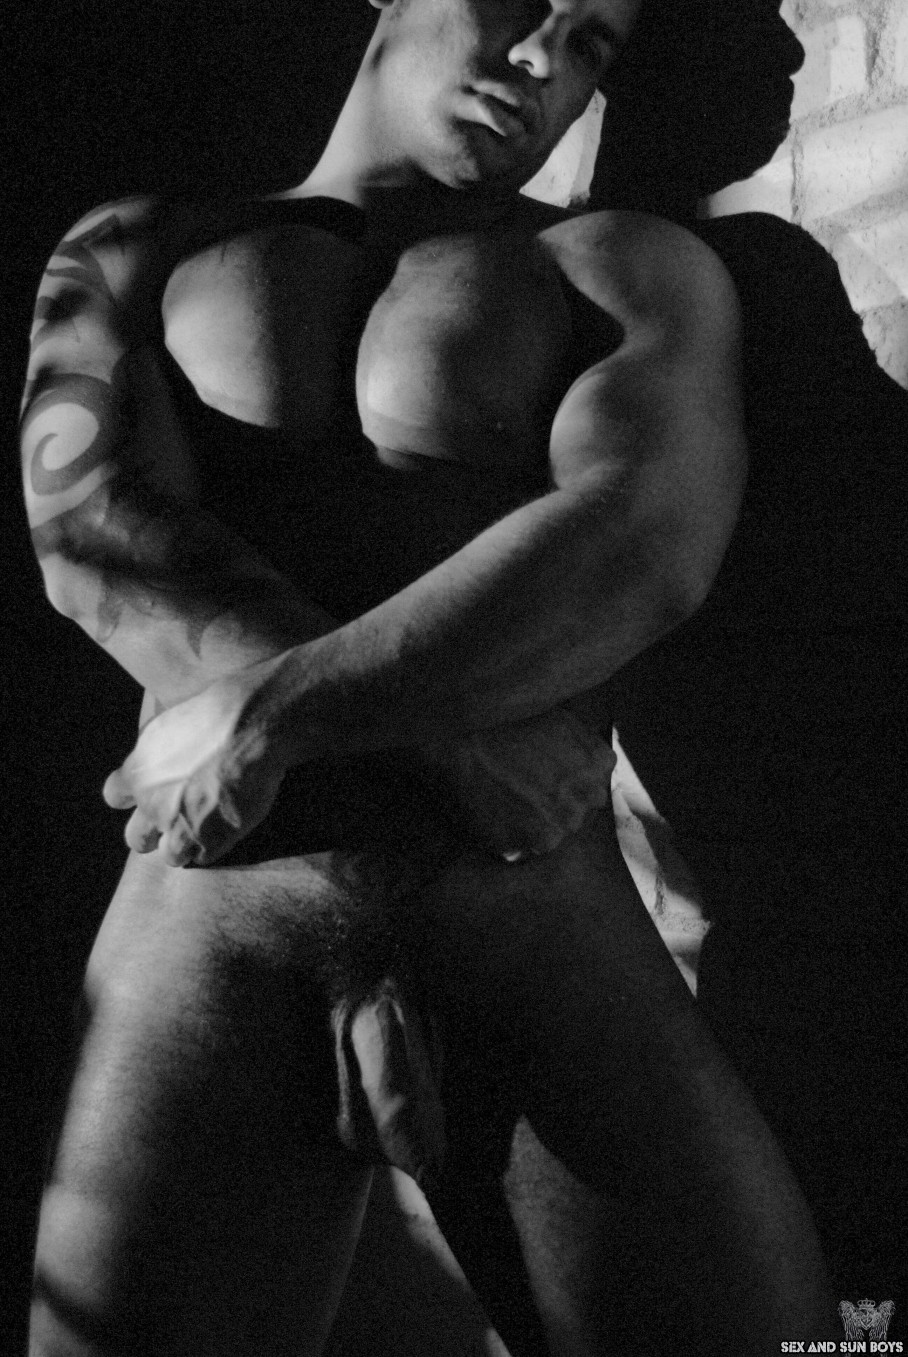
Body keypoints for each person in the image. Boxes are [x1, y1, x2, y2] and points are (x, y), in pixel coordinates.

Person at [21, 1, 838, 1353]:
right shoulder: (133, 249)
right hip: (212, 942)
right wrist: (448, 744)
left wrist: (280, 713)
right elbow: (93, 532)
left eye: (593, 45)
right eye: (528, 3)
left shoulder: (628, 267)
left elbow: (644, 542)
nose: (546, 63)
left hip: (537, 946)